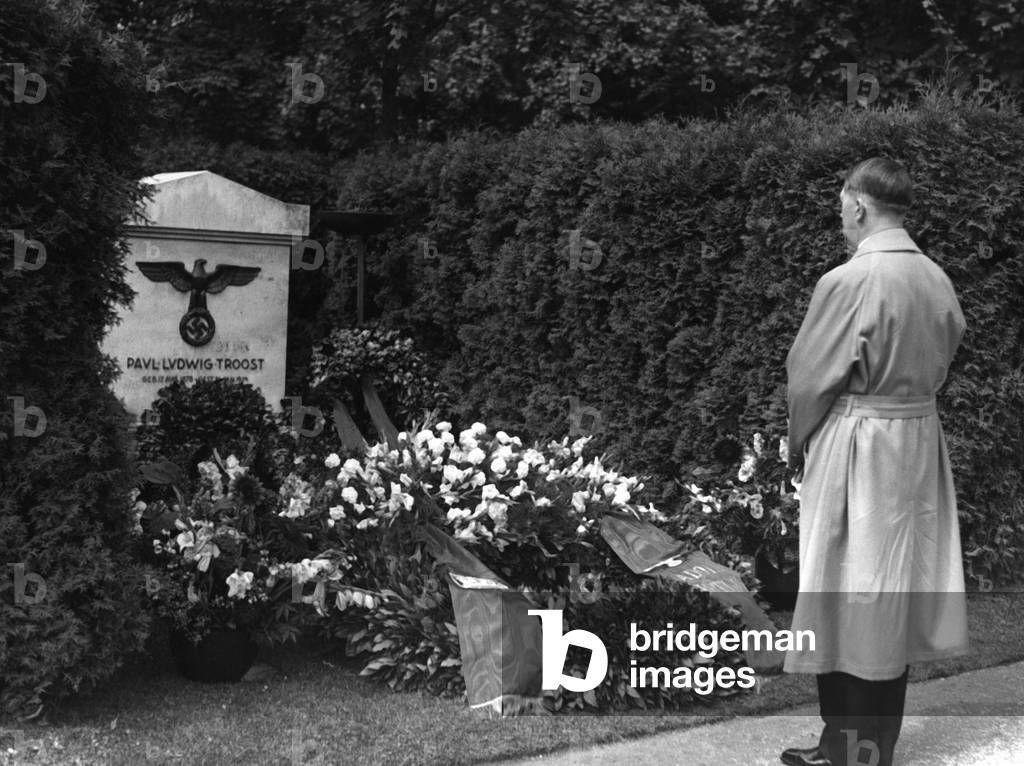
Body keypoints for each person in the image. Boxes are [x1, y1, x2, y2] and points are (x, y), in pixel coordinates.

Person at [780, 157, 970, 766]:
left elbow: (808, 381)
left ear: (859, 205)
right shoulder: (936, 277)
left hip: (857, 445)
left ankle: (844, 751)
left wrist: (796, 446)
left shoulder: (848, 281)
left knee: (843, 593)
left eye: (842, 204)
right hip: (915, 443)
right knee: (887, 594)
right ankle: (866, 747)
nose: (840, 216)